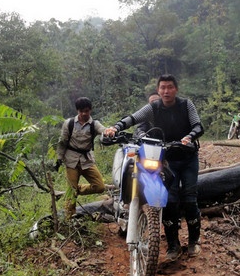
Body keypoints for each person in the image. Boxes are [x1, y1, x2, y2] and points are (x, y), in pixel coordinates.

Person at [106, 74, 204, 260]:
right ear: (159, 91)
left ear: (176, 89)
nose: (166, 91)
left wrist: (189, 137)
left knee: (190, 198)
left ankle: (193, 241)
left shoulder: (185, 105)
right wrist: (116, 127)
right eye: (163, 88)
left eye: (170, 87)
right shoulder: (154, 108)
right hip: (167, 159)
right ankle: (173, 245)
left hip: (188, 156)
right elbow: (133, 119)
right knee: (170, 200)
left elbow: (198, 126)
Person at [56, 97, 113, 219]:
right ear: (77, 111)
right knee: (71, 192)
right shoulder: (69, 123)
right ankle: (69, 217)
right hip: (71, 160)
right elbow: (63, 141)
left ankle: (78, 188)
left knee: (99, 186)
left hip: (87, 160)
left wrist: (109, 131)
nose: (84, 114)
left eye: (86, 111)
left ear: (90, 110)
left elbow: (103, 130)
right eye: (81, 111)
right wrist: (59, 158)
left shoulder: (94, 124)